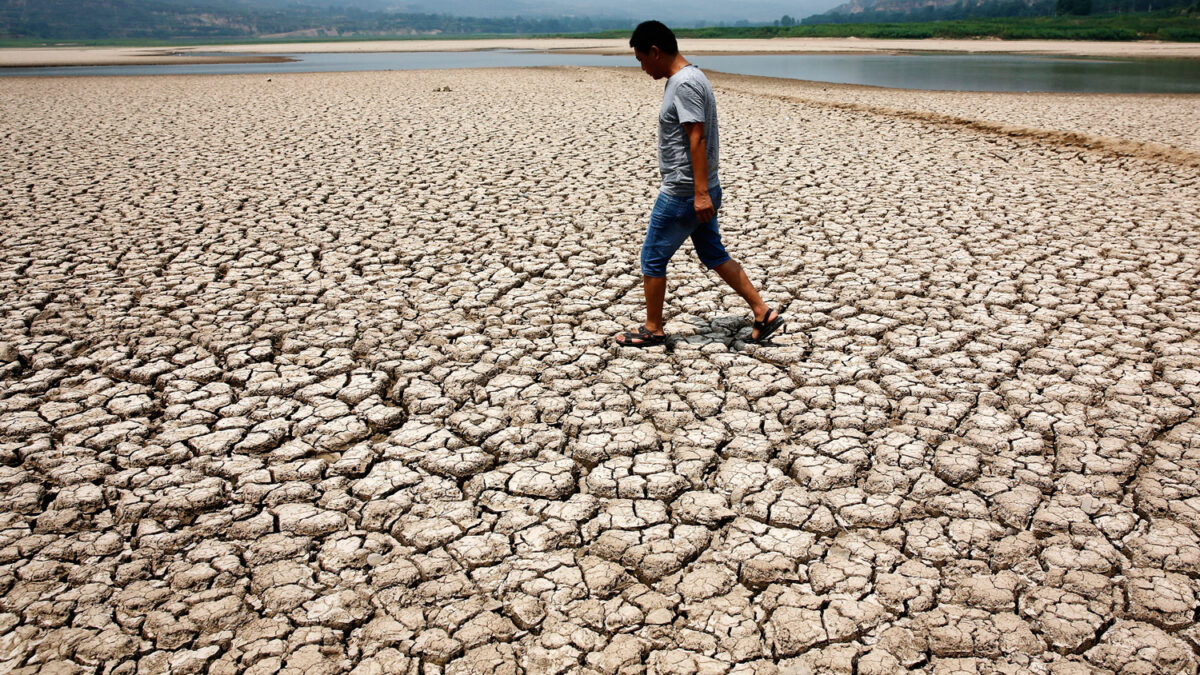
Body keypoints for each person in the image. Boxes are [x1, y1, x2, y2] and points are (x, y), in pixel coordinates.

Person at [615, 20, 784, 348]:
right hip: (697, 190)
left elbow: (696, 136)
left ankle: (653, 328)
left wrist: (701, 193)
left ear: (656, 51)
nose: (642, 67)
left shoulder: (685, 83)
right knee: (713, 253)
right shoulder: (686, 78)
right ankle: (763, 312)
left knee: (652, 258)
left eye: (642, 59)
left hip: (684, 192)